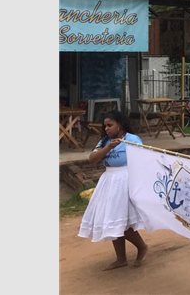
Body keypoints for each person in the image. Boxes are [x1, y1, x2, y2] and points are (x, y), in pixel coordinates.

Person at [78, 110, 147, 270]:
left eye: (110, 125)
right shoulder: (104, 141)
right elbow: (92, 159)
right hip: (109, 182)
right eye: (105, 126)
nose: (107, 129)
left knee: (123, 220)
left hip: (126, 180)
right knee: (111, 219)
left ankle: (142, 246)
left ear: (120, 124)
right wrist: (109, 146)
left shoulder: (132, 139)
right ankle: (121, 258)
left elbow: (143, 159)